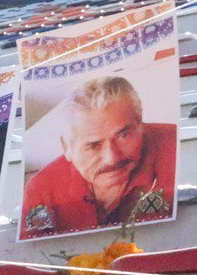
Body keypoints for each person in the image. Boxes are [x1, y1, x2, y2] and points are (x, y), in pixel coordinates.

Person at [20, 74, 176, 237]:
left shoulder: (176, 149)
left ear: (140, 124)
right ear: (67, 147)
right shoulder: (41, 192)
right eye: (93, 145)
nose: (112, 158)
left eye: (123, 135)